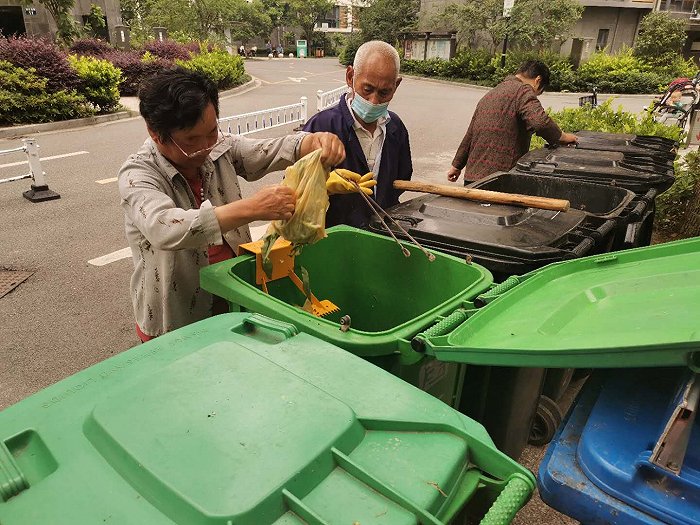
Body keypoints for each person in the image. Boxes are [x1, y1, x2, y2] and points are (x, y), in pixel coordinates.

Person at [118, 67, 345, 341]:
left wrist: (311, 142)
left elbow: (266, 151)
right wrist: (253, 208)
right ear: (156, 133)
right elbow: (165, 227)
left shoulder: (220, 147)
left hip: (232, 295)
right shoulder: (137, 174)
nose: (205, 147)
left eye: (212, 131)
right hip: (174, 319)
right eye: (191, 139)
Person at [303, 40, 412, 228]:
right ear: (350, 76)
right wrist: (323, 187)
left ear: (396, 85)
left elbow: (402, 179)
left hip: (383, 236)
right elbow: (295, 191)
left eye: (384, 92)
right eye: (367, 89)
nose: (374, 100)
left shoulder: (396, 128)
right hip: (333, 240)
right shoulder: (320, 126)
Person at [447, 60, 578, 184]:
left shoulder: (491, 94)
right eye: (539, 92)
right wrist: (562, 137)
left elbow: (470, 134)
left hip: (473, 179)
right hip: (499, 178)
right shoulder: (523, 90)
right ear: (538, 81)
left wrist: (456, 166)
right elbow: (540, 122)